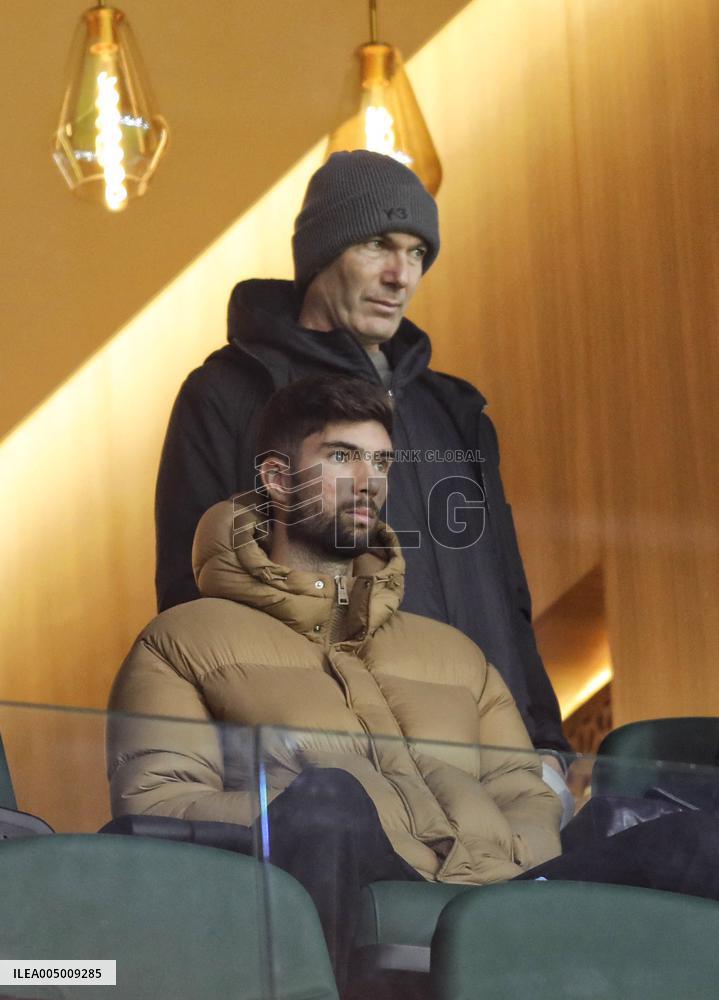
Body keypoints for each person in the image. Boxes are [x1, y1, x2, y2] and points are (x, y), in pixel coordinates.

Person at [110, 375, 564, 988]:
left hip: (487, 890)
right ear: (276, 479)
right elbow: (158, 805)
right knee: (331, 800)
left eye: (381, 461)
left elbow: (526, 794)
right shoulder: (181, 641)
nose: (370, 480)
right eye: (343, 457)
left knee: (683, 837)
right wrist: (309, 811)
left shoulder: (457, 654)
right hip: (327, 900)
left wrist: (496, 867)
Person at [154, 149, 569, 755]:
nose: (402, 275)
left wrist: (546, 746)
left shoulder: (452, 413)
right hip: (336, 765)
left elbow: (509, 604)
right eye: (378, 244)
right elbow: (191, 600)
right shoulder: (228, 395)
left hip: (495, 756)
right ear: (323, 253)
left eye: (418, 252)